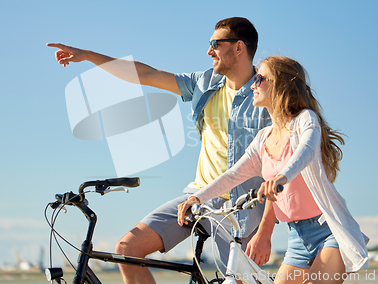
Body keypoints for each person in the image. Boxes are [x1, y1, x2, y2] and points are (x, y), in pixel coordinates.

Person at [47, 17, 272, 284]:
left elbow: (278, 173)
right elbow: (146, 74)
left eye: (215, 44)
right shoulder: (204, 83)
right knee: (127, 249)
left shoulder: (267, 96)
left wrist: (265, 233)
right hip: (196, 198)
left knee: (238, 281)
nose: (209, 51)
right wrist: (87, 56)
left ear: (238, 48)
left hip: (240, 211)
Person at [178, 56, 369, 284]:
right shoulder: (263, 138)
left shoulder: (304, 121)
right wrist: (196, 197)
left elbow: (306, 151)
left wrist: (282, 177)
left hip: (328, 232)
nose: (253, 84)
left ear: (281, 85)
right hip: (296, 239)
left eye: (259, 78)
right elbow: (233, 175)